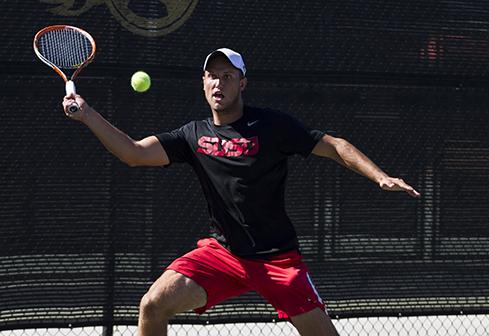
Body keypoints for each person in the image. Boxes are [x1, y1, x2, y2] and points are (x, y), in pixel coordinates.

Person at [62, 48, 420, 336]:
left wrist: (379, 176)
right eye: (212, 76)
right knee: (152, 304)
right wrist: (87, 114)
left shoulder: (271, 125)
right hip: (223, 255)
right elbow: (134, 153)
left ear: (242, 83)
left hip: (278, 260)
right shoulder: (192, 134)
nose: (219, 83)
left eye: (228, 76)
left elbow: (335, 146)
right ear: (203, 83)